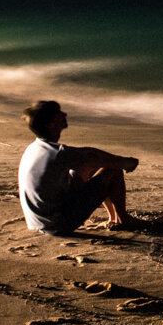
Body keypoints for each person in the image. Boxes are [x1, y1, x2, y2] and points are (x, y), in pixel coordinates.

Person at [17, 99, 140, 234]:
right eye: (59, 114)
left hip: (38, 221)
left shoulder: (34, 148)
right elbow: (92, 156)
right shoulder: (59, 153)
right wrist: (125, 163)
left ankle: (113, 218)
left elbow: (86, 155)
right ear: (51, 124)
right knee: (112, 169)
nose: (65, 114)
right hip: (58, 224)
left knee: (82, 169)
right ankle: (124, 219)